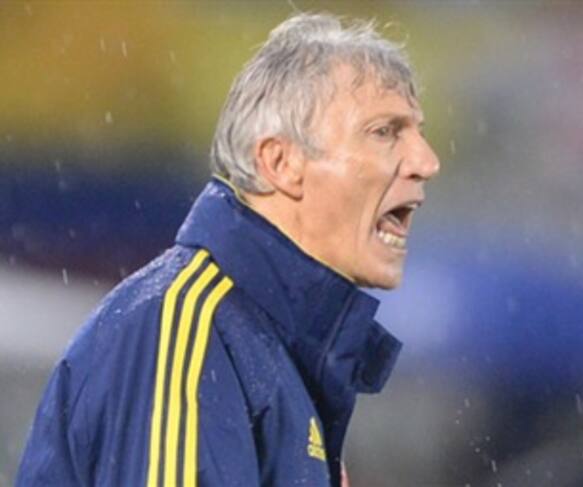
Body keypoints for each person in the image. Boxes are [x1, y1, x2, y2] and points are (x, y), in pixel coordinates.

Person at [17, 12, 439, 487]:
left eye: (418, 132)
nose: (427, 161)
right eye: (385, 131)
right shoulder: (185, 330)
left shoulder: (268, 349)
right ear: (281, 162)